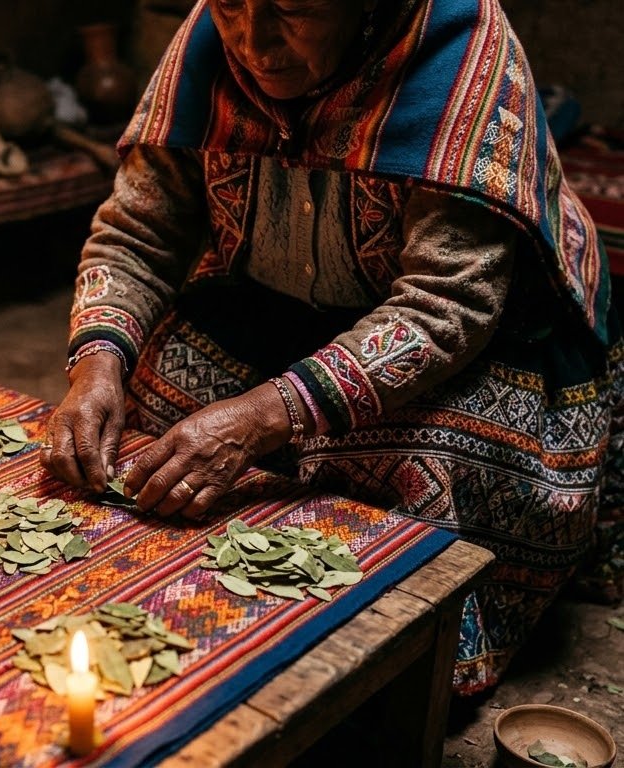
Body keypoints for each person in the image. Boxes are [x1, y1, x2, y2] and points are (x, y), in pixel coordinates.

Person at [40, 0, 622, 696]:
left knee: (439, 468)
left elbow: (447, 306)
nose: (254, 43)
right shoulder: (208, 41)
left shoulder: (458, 51)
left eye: (296, 10)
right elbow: (139, 232)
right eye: (229, 7)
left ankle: (395, 674)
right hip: (281, 310)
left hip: (481, 339)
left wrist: (262, 417)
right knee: (147, 396)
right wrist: (96, 362)